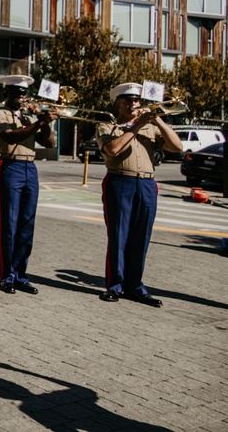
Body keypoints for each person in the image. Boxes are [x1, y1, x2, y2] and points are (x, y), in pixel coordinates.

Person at [96, 82, 182, 307]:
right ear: (118, 104)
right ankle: (115, 285)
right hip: (120, 181)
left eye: (137, 101)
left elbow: (177, 147)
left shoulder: (151, 126)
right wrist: (135, 126)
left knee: (141, 237)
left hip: (146, 183)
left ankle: (135, 286)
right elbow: (113, 150)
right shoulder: (107, 125)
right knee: (119, 236)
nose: (133, 104)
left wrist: (158, 120)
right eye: (128, 101)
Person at [0, 75, 58, 295]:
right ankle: (6, 275)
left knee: (27, 224)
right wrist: (39, 122)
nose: (21, 97)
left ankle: (20, 275)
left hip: (30, 167)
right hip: (10, 165)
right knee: (9, 222)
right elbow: (9, 137)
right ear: (7, 93)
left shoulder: (30, 117)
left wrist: (44, 121)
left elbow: (49, 143)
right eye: (16, 93)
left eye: (23, 93)